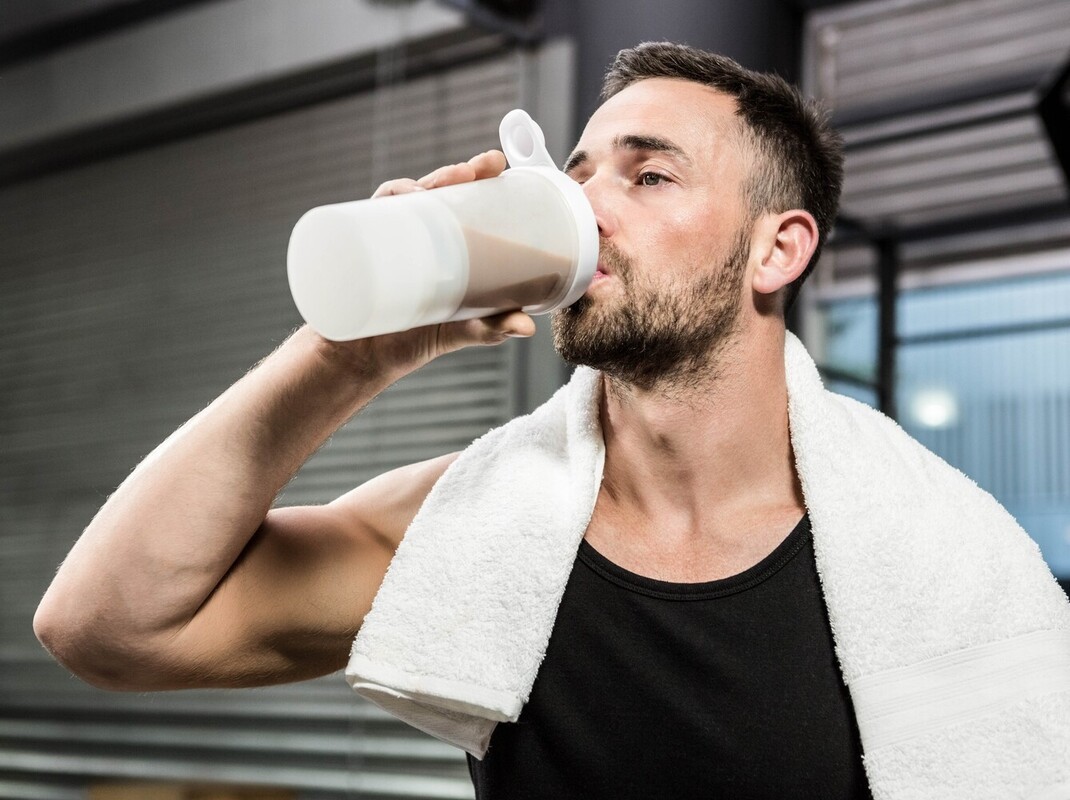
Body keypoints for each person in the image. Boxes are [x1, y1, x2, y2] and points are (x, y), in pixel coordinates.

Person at [31, 43, 1067, 799]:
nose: (586, 209)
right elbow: (109, 629)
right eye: (575, 178)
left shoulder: (937, 558)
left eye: (647, 175)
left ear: (776, 250)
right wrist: (350, 350)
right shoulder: (475, 523)